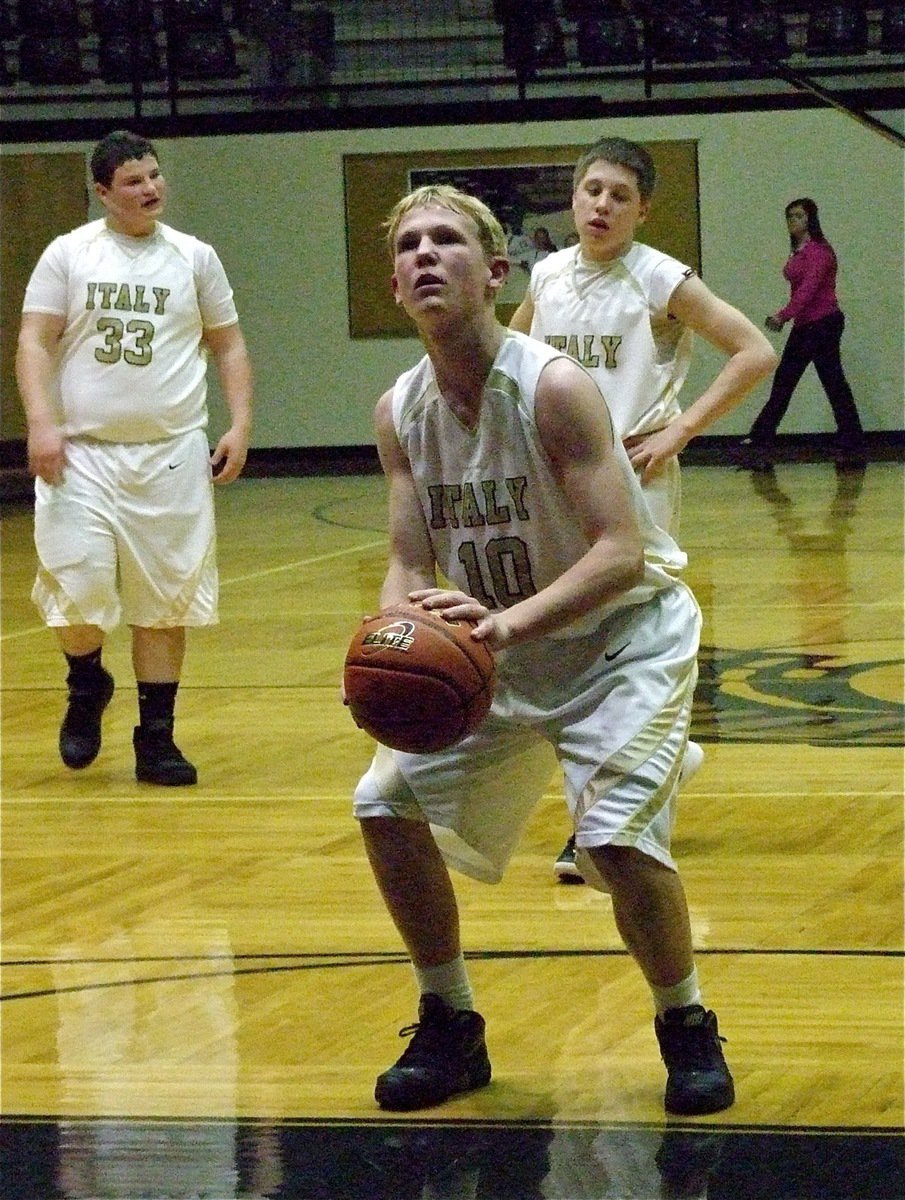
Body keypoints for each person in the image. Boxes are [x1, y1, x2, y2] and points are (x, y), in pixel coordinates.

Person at [351, 182, 735, 1118]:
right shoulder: (398, 411)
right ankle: (449, 1022)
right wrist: (389, 643)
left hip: (618, 643)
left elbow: (622, 549)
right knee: (381, 804)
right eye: (409, 246)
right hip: (502, 651)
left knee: (612, 841)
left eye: (448, 241)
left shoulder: (553, 385)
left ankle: (685, 1024)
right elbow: (408, 556)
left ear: (495, 271)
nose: (425, 256)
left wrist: (502, 625)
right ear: (396, 286)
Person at [509, 136, 777, 881]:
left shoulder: (658, 277)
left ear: (642, 209)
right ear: (572, 195)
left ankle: (599, 820)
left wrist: (681, 427)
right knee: (564, 646)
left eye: (618, 195)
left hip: (633, 483)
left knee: (625, 642)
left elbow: (753, 350)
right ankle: (660, 761)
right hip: (557, 486)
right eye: (591, 189)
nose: (601, 205)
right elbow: (512, 358)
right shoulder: (550, 274)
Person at [16, 129, 253, 786]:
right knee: (80, 596)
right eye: (133, 180)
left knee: (164, 602)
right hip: (82, 455)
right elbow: (35, 343)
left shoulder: (194, 258)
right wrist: (42, 423)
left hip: (171, 453)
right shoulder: (68, 255)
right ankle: (87, 682)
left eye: (153, 175)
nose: (150, 188)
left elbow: (227, 345)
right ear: (102, 193)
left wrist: (239, 423)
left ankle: (157, 740)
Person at [740, 197, 865, 470]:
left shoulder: (819, 252)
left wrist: (783, 315)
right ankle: (851, 436)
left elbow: (808, 290)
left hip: (822, 323)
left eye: (798, 216)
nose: (792, 222)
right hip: (810, 325)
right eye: (790, 217)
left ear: (810, 219)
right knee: (820, 380)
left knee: (801, 379)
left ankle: (762, 436)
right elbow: (801, 289)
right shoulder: (801, 251)